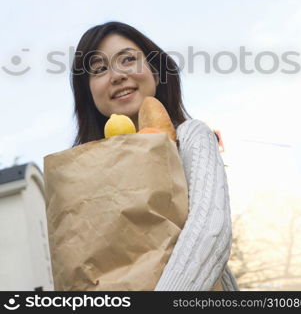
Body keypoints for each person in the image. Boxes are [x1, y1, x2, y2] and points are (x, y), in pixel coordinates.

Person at [70, 20, 239, 291]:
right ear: (88, 93)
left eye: (127, 60)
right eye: (99, 69)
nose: (116, 75)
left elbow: (211, 233)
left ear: (156, 72)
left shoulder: (192, 137)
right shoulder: (81, 175)